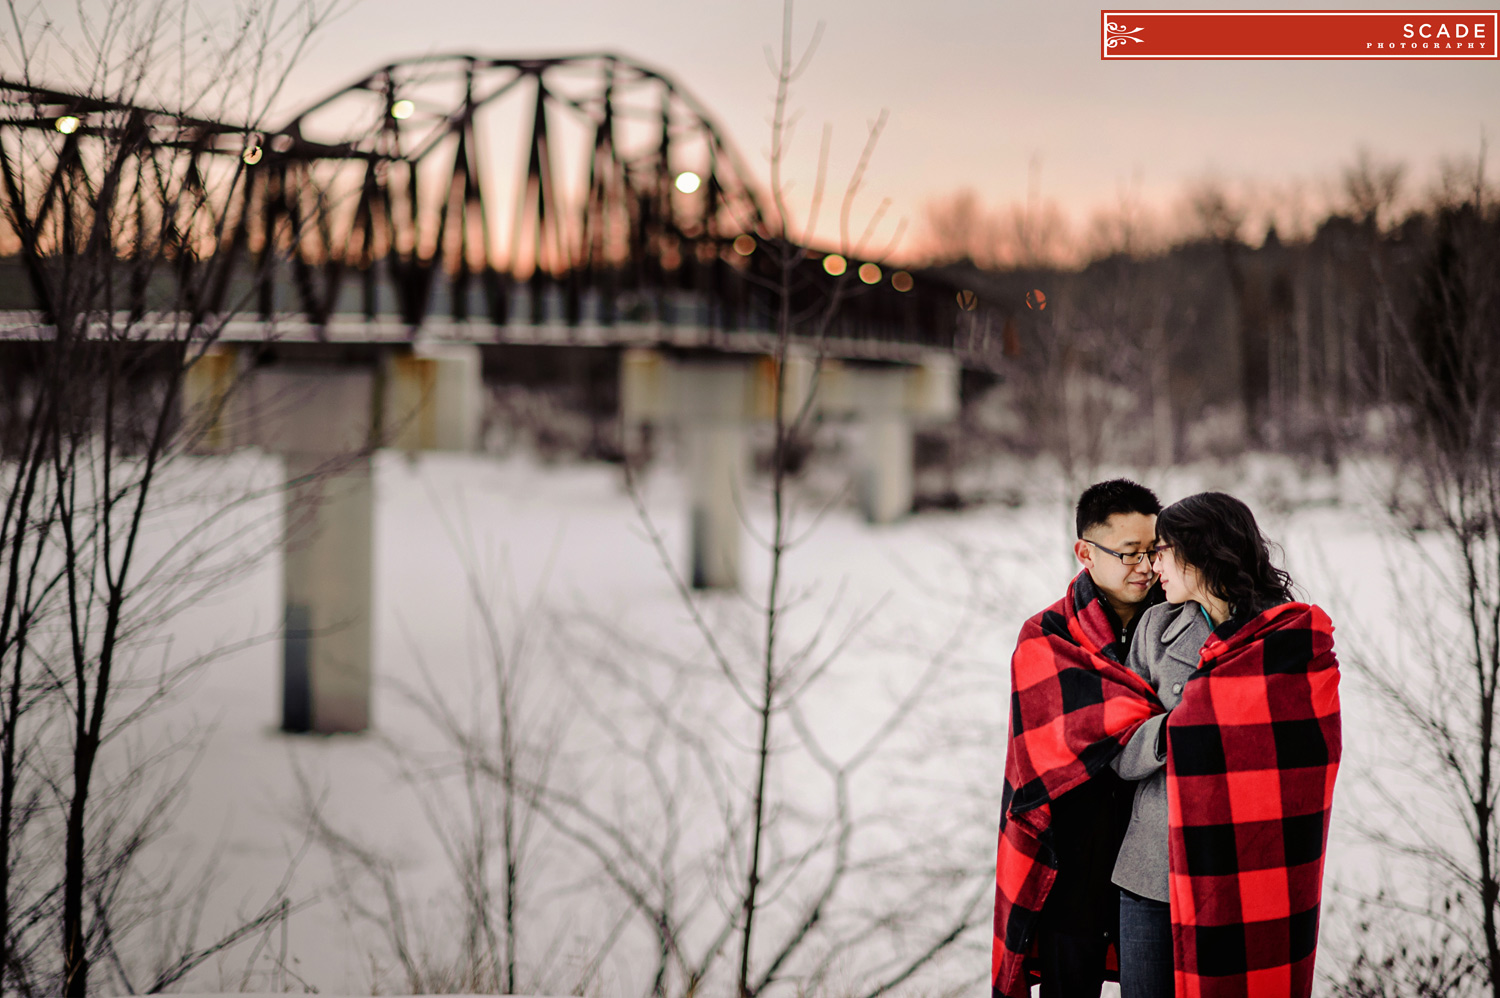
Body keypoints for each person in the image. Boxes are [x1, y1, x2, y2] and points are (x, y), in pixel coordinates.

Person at [1109, 492, 1341, 998]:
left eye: (1162, 551)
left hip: (1241, 872)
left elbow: (1306, 750)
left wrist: (1209, 723)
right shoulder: (1155, 628)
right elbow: (1121, 747)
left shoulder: (1285, 637)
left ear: (1198, 552)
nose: (1153, 566)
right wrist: (1188, 730)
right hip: (1152, 877)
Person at [992, 479, 1165, 998]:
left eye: (1154, 551)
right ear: (1085, 552)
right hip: (1074, 857)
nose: (1145, 567)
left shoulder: (1183, 623)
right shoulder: (1047, 636)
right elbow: (1038, 759)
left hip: (1157, 859)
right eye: (1129, 552)